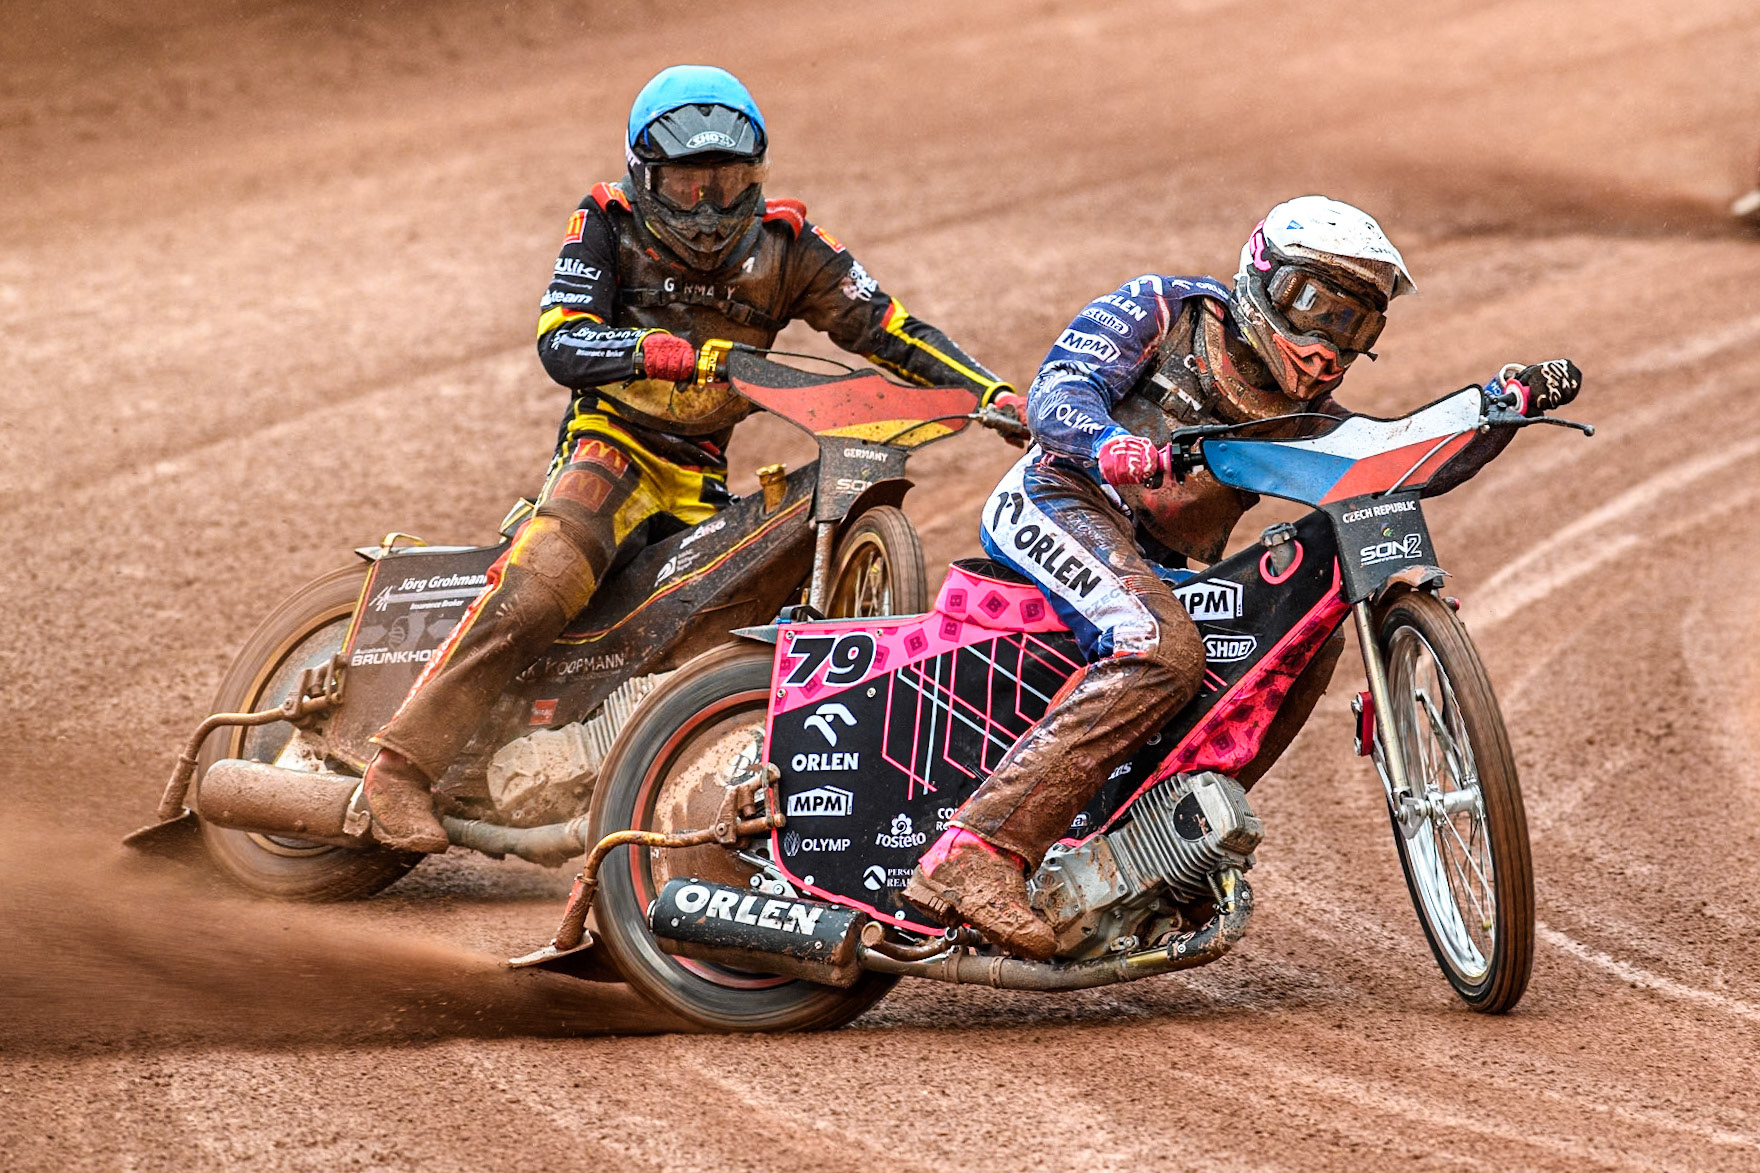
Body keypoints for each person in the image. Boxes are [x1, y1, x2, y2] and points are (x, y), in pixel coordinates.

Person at [903, 195, 1582, 958]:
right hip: (1060, 497)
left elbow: (1399, 462)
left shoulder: (1302, 413)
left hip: (1146, 557)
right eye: (1316, 306)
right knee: (1163, 649)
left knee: (1300, 639)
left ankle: (1147, 856)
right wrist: (1110, 445)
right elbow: (1058, 391)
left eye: (1355, 325)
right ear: (1263, 278)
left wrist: (1498, 410)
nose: (1329, 346)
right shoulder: (1166, 308)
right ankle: (972, 855)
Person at [362, 65, 1017, 852]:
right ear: (645, 178)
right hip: (611, 446)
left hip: (701, 475)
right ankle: (399, 765)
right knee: (549, 579)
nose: (707, 204)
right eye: (686, 184)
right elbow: (560, 337)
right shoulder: (604, 219)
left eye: (727, 180)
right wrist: (647, 350)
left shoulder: (791, 245)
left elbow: (888, 327)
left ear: (758, 176)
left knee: (723, 623)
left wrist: (994, 394)